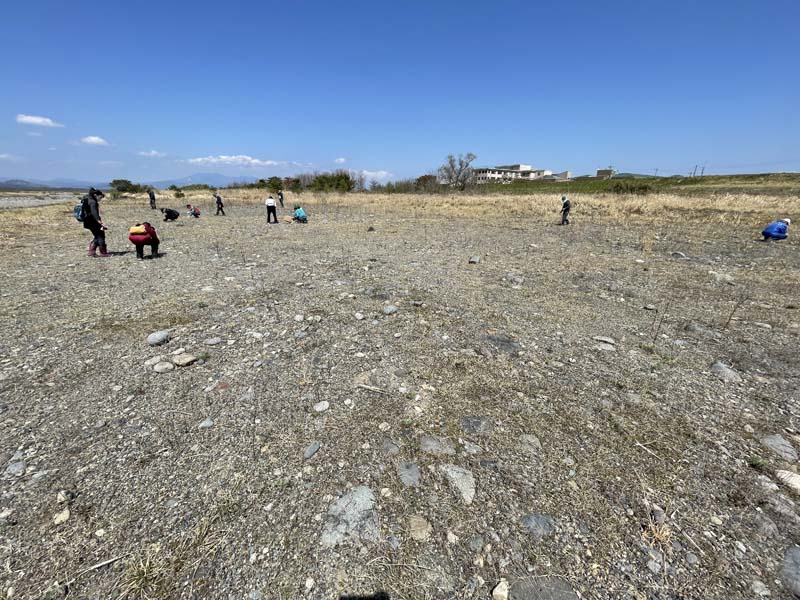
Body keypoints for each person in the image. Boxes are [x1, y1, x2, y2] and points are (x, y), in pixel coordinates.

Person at [82, 187, 110, 257]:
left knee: (97, 236)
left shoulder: (86, 199)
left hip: (87, 221)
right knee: (101, 236)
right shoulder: (93, 202)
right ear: (95, 195)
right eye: (100, 197)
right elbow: (94, 212)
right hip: (93, 221)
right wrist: (99, 222)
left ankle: (91, 252)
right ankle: (103, 253)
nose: (100, 199)